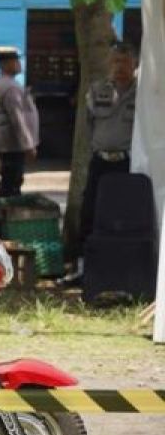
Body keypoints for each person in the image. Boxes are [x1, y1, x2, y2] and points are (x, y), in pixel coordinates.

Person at [63, 41, 139, 284]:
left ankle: (122, 270)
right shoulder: (97, 90)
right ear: (109, 64)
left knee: (125, 217)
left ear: (134, 64)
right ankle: (85, 269)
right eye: (115, 61)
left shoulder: (144, 93)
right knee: (90, 214)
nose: (120, 67)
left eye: (125, 62)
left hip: (127, 163)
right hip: (101, 162)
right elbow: (88, 126)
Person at [0, 50, 39, 198]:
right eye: (15, 61)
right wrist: (28, 145)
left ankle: (4, 213)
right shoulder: (10, 87)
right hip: (12, 144)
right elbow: (17, 119)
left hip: (4, 143)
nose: (19, 64)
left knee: (9, 180)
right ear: (6, 64)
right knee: (12, 182)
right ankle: (6, 215)